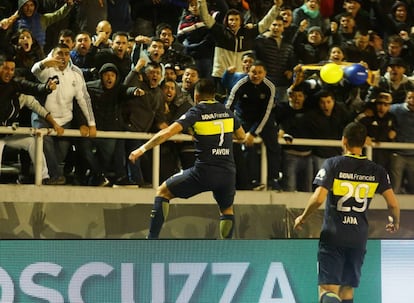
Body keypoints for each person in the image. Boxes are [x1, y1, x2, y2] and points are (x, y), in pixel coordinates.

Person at [293, 121, 400, 303]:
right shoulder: (377, 171)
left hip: (334, 236)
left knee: (327, 290)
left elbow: (319, 198)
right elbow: (393, 204)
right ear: (365, 142)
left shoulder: (333, 164)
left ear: (343, 140)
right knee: (347, 290)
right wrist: (395, 222)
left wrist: (303, 217)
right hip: (358, 237)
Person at [129, 78, 246, 239]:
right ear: (214, 95)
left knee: (163, 192)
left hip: (204, 172)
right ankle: (226, 250)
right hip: (228, 173)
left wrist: (142, 149)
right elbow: (241, 136)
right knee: (226, 209)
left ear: (196, 96)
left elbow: (168, 132)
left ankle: (151, 241)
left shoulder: (196, 111)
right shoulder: (227, 112)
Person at [31, 42, 96, 185]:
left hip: (65, 120)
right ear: (53, 55)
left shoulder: (76, 73)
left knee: (60, 153)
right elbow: (34, 70)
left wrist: (91, 123)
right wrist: (44, 63)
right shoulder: (46, 69)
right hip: (43, 117)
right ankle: (53, 176)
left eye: (66, 54)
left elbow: (84, 99)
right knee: (45, 144)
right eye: (59, 53)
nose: (63, 57)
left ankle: (49, 177)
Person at [0, 54, 63, 183]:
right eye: (5, 68)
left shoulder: (17, 88)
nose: (8, 73)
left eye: (12, 70)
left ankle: (43, 178)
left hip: (6, 135)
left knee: (32, 141)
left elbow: (35, 91)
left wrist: (46, 87)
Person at [226, 60, 282, 190]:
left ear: (265, 73)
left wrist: (252, 132)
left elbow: (266, 113)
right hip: (243, 118)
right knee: (247, 147)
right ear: (248, 72)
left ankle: (273, 179)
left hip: (263, 119)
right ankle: (250, 181)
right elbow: (228, 107)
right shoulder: (240, 84)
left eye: (259, 73)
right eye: (253, 72)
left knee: (274, 145)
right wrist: (233, 126)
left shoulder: (270, 87)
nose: (256, 75)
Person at [389, 89, 414, 194]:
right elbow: (381, 110)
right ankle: (392, 209)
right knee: (395, 188)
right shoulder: (395, 109)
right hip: (398, 154)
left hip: (413, 155)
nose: (412, 101)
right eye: (410, 97)